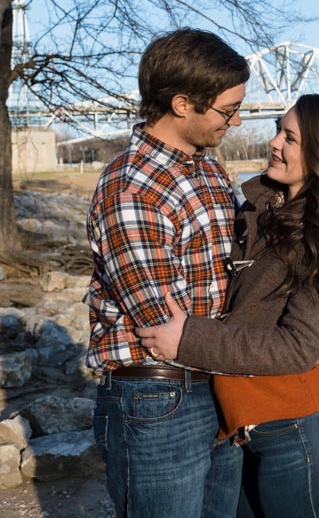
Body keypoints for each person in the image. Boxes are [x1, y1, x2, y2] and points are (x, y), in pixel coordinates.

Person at [136, 94, 319, 518]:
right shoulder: (263, 212)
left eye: (290, 137)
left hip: (309, 429)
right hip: (255, 423)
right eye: (277, 131)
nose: (273, 143)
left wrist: (188, 339)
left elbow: (297, 347)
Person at [86, 28, 250, 517]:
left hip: (216, 381)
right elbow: (162, 324)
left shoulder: (209, 171)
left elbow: (244, 270)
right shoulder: (132, 188)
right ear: (182, 104)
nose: (237, 121)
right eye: (227, 110)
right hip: (157, 398)